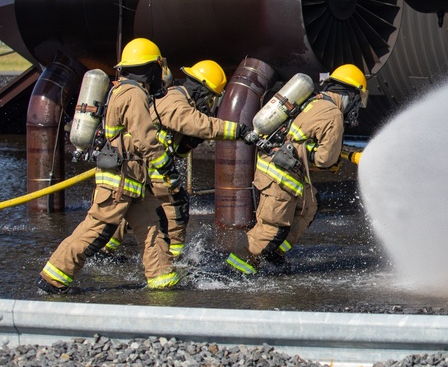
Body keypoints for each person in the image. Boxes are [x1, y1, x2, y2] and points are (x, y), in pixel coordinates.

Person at [37, 38, 181, 294]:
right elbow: (145, 138)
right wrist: (167, 165)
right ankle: (53, 278)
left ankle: (163, 281)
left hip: (134, 182)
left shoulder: (125, 90)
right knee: (97, 231)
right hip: (120, 182)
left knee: (153, 226)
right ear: (150, 67)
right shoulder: (132, 94)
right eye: (157, 67)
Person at [225, 64, 367, 276]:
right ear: (351, 95)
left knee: (309, 207)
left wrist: (343, 154)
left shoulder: (315, 100)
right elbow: (324, 159)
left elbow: (303, 142)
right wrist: (335, 159)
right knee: (271, 228)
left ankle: (272, 255)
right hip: (280, 177)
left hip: (277, 169)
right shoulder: (334, 116)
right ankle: (234, 273)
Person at [102, 60, 247, 260]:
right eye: (212, 98)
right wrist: (238, 131)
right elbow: (198, 124)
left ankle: (105, 251)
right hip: (152, 167)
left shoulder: (177, 98)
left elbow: (177, 141)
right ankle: (174, 259)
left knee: (131, 209)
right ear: (202, 91)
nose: (211, 104)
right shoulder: (176, 103)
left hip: (144, 166)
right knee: (175, 207)